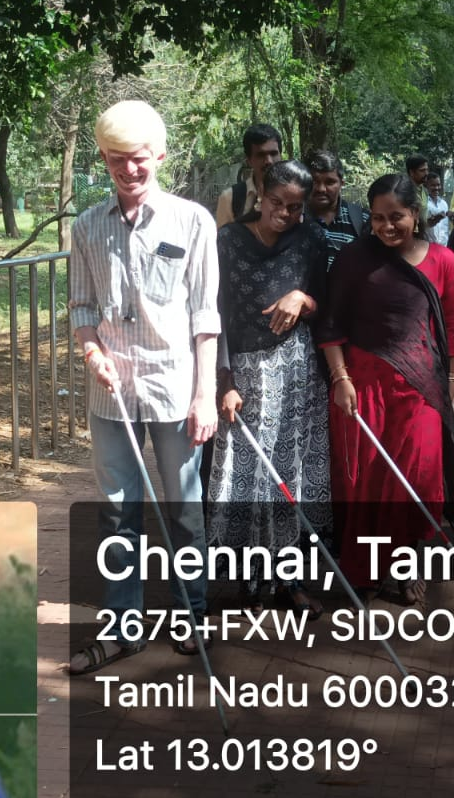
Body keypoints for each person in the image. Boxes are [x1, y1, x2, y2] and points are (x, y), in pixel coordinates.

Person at [67, 100, 220, 675]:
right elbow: (81, 305)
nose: (129, 171)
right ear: (103, 160)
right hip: (111, 397)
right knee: (115, 511)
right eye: (115, 161)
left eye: (138, 160)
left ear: (159, 155)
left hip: (175, 388)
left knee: (183, 508)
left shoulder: (193, 221)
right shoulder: (86, 225)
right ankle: (122, 628)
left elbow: (206, 317)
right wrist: (91, 350)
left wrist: (204, 395)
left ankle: (192, 617)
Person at [318, 173, 454, 602]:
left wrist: (449, 384)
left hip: (423, 391)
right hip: (364, 387)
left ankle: (409, 562)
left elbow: (449, 329)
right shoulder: (353, 259)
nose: (386, 227)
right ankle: (366, 567)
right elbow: (331, 324)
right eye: (378, 218)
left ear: (415, 214)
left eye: (396, 216)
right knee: (368, 482)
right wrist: (340, 379)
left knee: (418, 479)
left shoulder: (443, 260)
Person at [209, 160, 330, 616]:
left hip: (296, 372)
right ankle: (246, 581)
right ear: (260, 193)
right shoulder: (228, 242)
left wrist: (303, 298)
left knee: (288, 476)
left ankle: (288, 580)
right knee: (245, 475)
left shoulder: (310, 239)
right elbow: (212, 314)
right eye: (277, 202)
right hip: (242, 372)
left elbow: (325, 304)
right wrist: (223, 379)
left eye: (295, 207)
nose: (284, 213)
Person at [304, 149, 367, 268]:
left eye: (330, 182)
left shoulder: (362, 219)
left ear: (341, 184)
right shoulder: (293, 218)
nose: (321, 189)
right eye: (314, 181)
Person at [215, 124, 283, 228]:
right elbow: (222, 242)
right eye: (261, 155)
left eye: (273, 154)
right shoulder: (230, 199)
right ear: (249, 160)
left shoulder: (294, 195)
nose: (268, 161)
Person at [404, 152, 431, 237]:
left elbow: (423, 219)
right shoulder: (404, 191)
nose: (426, 173)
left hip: (422, 236)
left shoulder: (424, 191)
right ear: (412, 172)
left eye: (427, 169)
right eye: (422, 170)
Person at [424, 172, 451, 246]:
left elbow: (445, 227)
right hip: (429, 247)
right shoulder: (424, 204)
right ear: (426, 186)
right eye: (433, 185)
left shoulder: (444, 204)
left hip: (444, 246)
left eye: (438, 185)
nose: (436, 188)